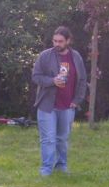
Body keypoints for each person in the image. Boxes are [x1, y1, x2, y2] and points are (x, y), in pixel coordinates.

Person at [31, 26, 87, 176]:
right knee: (48, 139)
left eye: (60, 41)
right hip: (47, 105)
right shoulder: (45, 56)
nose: (57, 44)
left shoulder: (76, 57)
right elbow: (36, 77)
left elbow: (82, 80)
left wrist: (77, 100)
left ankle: (61, 166)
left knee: (62, 139)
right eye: (55, 41)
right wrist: (52, 81)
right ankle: (46, 169)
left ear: (68, 41)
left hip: (68, 105)